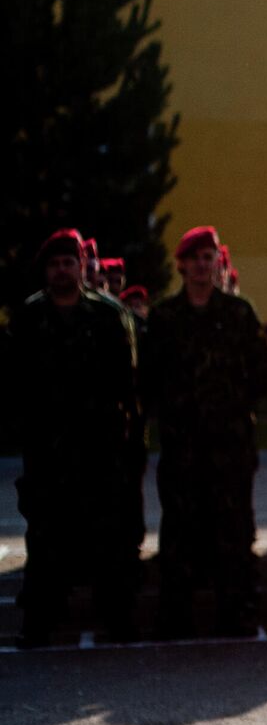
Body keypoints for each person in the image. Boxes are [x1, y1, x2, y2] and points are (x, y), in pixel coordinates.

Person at [12, 229, 143, 647]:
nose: (63, 269)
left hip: (100, 448)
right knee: (47, 538)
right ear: (45, 271)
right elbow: (14, 380)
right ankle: (41, 622)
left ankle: (117, 618)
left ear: (82, 267)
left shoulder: (107, 314)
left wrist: (124, 437)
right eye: (55, 264)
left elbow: (129, 379)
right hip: (48, 450)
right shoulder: (30, 317)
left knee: (108, 538)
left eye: (69, 262)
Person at [143, 226, 267, 639]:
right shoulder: (165, 317)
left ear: (217, 263)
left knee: (233, 529)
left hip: (230, 444)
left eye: (209, 257)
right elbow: (149, 377)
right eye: (195, 257)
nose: (202, 265)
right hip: (182, 445)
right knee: (179, 529)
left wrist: (232, 407)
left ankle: (236, 612)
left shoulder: (238, 314)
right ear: (181, 265)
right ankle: (176, 614)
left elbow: (261, 372)